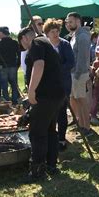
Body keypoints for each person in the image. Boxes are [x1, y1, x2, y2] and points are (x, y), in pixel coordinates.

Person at [18, 27, 65, 181]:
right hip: (57, 94)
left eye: (22, 43)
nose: (24, 48)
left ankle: (37, 171)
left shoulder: (36, 43)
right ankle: (51, 165)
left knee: (37, 132)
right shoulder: (46, 42)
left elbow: (39, 65)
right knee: (50, 130)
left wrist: (31, 92)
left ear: (25, 37)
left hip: (46, 96)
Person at [44, 18, 75, 151]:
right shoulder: (44, 45)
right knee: (50, 111)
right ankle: (51, 138)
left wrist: (56, 69)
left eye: (57, 31)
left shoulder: (65, 44)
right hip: (48, 84)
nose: (55, 34)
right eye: (52, 31)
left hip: (63, 83)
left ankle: (61, 139)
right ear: (47, 33)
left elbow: (71, 62)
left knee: (62, 111)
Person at [66, 12, 94, 136]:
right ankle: (82, 125)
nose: (68, 24)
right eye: (67, 22)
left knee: (82, 101)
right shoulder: (75, 35)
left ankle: (86, 128)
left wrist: (77, 76)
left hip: (80, 74)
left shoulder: (82, 36)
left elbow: (83, 58)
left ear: (78, 21)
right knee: (77, 100)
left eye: (70, 21)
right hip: (75, 74)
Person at [0, 26, 20, 104]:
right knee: (14, 85)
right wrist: (17, 65)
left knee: (4, 86)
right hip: (13, 66)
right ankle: (15, 101)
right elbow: (18, 54)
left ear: (1, 33)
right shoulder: (15, 42)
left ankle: (7, 102)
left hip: (2, 67)